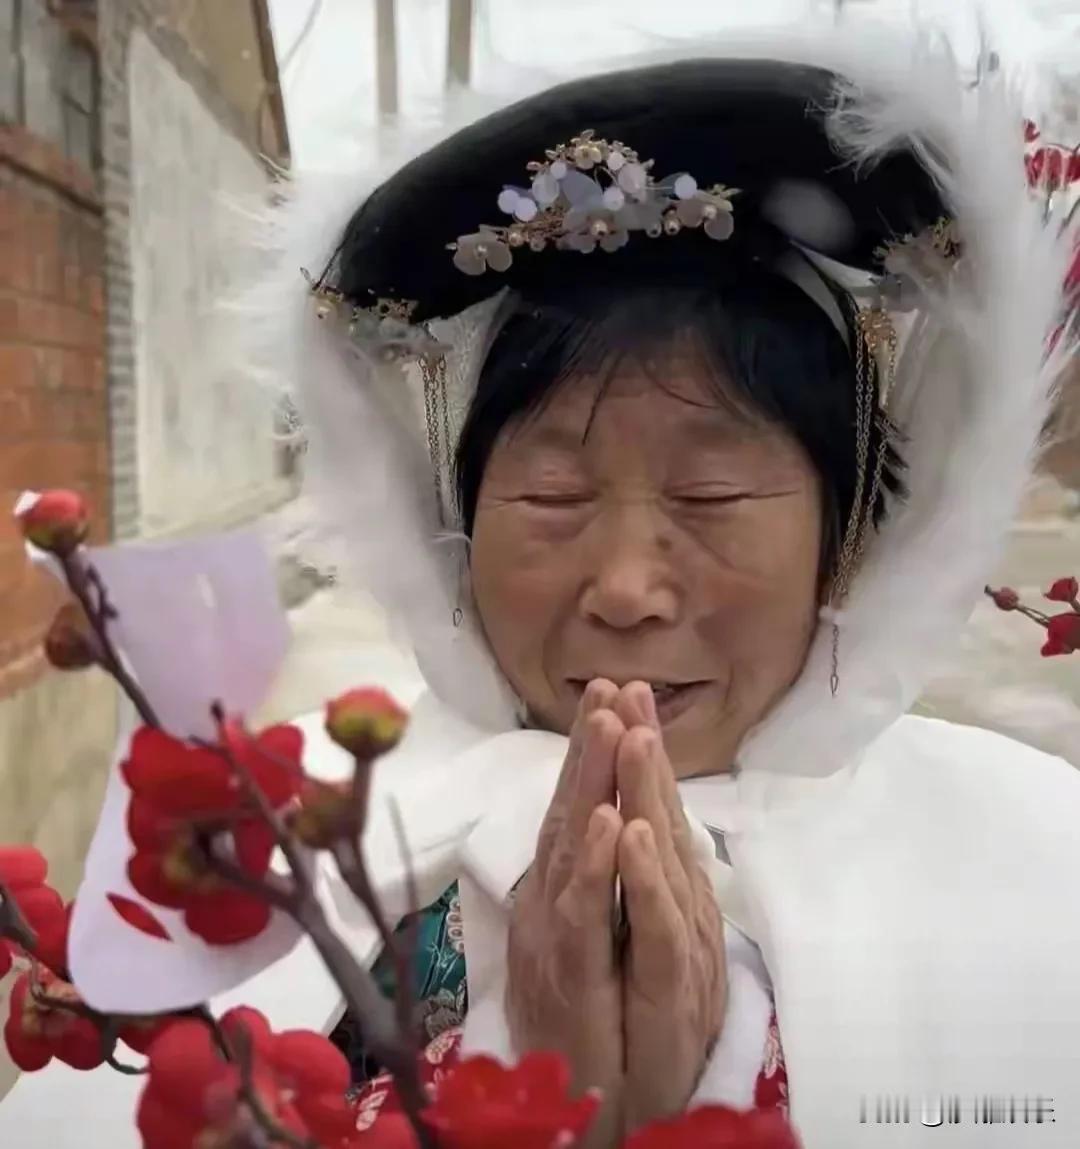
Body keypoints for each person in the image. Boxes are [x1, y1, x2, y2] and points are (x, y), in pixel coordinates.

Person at [5, 21, 1080, 1149]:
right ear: (454, 525)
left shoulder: (1034, 868)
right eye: (554, 498)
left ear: (851, 530)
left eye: (712, 495)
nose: (624, 588)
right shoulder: (292, 828)